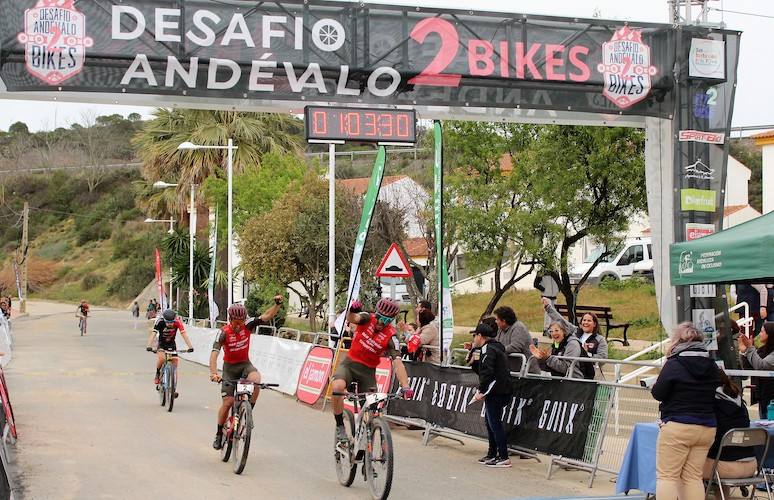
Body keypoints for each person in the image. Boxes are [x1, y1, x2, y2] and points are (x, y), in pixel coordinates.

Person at [651, 321, 720, 500]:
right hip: (707, 426)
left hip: (678, 424)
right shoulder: (712, 365)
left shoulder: (674, 363)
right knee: (693, 477)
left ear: (678, 341)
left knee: (667, 476)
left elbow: (658, 393)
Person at [332, 298, 413, 444]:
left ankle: (366, 449)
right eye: (380, 318)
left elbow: (398, 362)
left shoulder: (391, 336)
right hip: (350, 365)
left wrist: (405, 385)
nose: (382, 322)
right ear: (376, 314)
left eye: (387, 320)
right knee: (337, 387)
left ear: (392, 320)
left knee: (371, 410)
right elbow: (352, 318)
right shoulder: (367, 318)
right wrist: (353, 309)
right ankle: (340, 426)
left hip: (368, 373)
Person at [209, 297, 283, 449]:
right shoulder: (223, 333)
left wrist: (277, 304)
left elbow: (267, 316)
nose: (239, 325)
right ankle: (218, 434)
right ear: (230, 319)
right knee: (228, 402)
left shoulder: (248, 325)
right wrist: (214, 373)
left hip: (245, 365)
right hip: (229, 369)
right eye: (236, 322)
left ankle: (247, 414)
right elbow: (214, 354)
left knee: (256, 380)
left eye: (241, 321)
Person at [702, 370, 757, 499]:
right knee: (722, 453)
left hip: (724, 467)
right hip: (751, 465)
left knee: (687, 466)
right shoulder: (740, 403)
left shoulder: (711, 405)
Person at [470, 321, 512, 468]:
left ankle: (503, 456)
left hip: (497, 390)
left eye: (475, 335)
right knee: (490, 423)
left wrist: (481, 390)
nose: (474, 338)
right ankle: (492, 453)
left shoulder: (489, 349)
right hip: (498, 389)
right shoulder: (488, 348)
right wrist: (474, 360)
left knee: (495, 423)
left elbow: (487, 373)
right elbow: (481, 370)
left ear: (480, 336)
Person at [541, 297, 608, 378]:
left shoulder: (600, 339)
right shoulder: (575, 331)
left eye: (589, 321)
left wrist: (587, 354)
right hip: (573, 373)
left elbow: (603, 359)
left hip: (591, 376)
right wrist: (548, 307)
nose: (585, 322)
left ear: (594, 324)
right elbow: (561, 321)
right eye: (584, 320)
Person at [145, 309, 194, 386]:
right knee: (162, 358)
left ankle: (173, 387)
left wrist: (190, 346)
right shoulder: (160, 322)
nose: (169, 324)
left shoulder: (177, 322)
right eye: (167, 322)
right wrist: (149, 345)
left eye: (171, 322)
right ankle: (157, 374)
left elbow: (184, 335)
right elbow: (153, 333)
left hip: (171, 344)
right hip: (162, 344)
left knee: (175, 363)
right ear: (164, 319)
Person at [738, 322, 774, 418]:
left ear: (770, 334)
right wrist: (744, 352)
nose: (759, 334)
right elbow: (750, 367)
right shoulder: (762, 350)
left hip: (771, 395)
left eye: (762, 332)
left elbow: (761, 366)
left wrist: (750, 348)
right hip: (762, 394)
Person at [493, 306, 539, 374]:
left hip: (526, 373)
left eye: (497, 319)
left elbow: (515, 347)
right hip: (510, 371)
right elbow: (495, 344)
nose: (495, 321)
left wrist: (497, 350)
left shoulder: (518, 327)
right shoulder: (500, 329)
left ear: (504, 320)